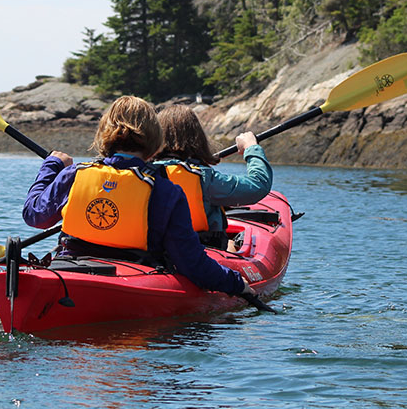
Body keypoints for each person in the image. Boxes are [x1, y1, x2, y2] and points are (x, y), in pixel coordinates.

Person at [23, 96, 252, 298]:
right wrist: (235, 284)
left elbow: (35, 216)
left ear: (104, 137)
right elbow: (190, 262)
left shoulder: (74, 174)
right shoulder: (166, 191)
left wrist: (52, 166)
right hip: (135, 275)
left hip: (69, 270)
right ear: (154, 144)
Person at [153, 104, 273, 250]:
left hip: (154, 252)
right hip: (200, 250)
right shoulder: (204, 178)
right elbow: (259, 185)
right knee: (231, 244)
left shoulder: (142, 173)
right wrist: (251, 148)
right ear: (197, 138)